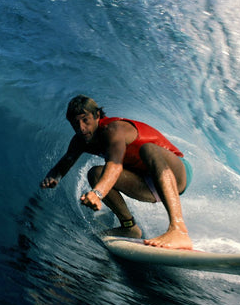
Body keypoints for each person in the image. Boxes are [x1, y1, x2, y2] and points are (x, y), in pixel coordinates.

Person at [41, 95, 193, 249]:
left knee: (148, 149)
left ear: (97, 116)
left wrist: (97, 193)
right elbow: (63, 165)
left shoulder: (112, 129)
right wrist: (53, 178)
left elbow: (115, 165)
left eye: (85, 120)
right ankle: (129, 228)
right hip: (149, 185)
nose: (81, 127)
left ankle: (178, 229)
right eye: (75, 123)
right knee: (95, 174)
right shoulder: (80, 141)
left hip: (176, 174)